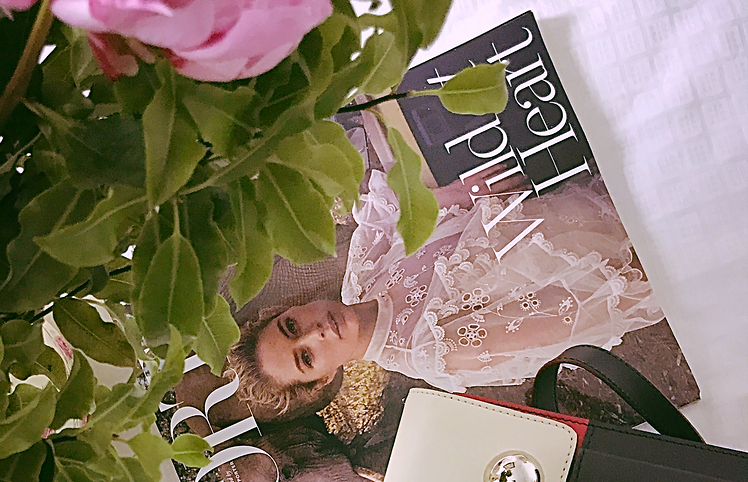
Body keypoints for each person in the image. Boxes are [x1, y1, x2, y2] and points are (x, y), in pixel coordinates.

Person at [226, 165, 665, 403]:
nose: (316, 332)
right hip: (635, 236)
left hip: (563, 165)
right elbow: (576, 310)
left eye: (291, 326)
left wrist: (460, 190)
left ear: (287, 309)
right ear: (322, 380)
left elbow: (407, 199)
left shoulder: (362, 274)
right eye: (306, 358)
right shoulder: (434, 352)